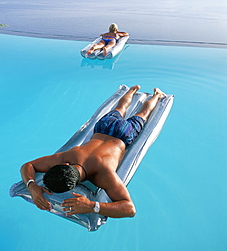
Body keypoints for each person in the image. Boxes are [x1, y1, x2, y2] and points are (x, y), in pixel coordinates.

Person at [20, 86, 166, 219]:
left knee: (143, 113)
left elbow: (129, 209)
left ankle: (156, 96)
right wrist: (32, 185)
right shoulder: (69, 155)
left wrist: (92, 206)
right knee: (121, 107)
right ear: (64, 165)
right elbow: (28, 165)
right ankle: (134, 92)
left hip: (123, 135)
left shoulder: (104, 174)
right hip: (103, 127)